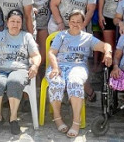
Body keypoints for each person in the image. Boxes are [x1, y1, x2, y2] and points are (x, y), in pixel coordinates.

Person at [46, 10, 112, 138]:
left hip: (77, 67)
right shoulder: (61, 36)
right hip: (59, 66)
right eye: (72, 21)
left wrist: (108, 53)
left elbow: (106, 45)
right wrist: (55, 67)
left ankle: (76, 122)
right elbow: (51, 53)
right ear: (68, 22)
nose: (75, 24)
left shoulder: (87, 38)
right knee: (56, 82)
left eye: (78, 22)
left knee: (75, 82)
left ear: (83, 24)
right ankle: (57, 117)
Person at [0, 9, 41, 135]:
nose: (15, 24)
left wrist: (35, 66)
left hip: (20, 69)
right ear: (7, 22)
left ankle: (13, 118)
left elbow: (36, 55)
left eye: (18, 22)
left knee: (14, 82)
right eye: (12, 21)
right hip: (0, 69)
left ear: (22, 23)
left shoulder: (27, 36)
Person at [27, 0, 53, 74]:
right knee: (32, 49)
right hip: (30, 22)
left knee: (43, 48)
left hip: (45, 22)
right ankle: (32, 72)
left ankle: (41, 72)